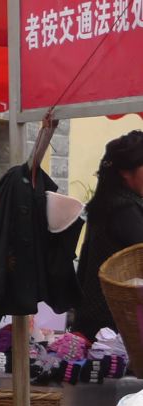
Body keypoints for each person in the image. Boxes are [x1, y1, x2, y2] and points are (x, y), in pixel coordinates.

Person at [74, 130, 143, 337]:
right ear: (125, 172)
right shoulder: (124, 209)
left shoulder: (107, 203)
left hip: (96, 320)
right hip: (114, 325)